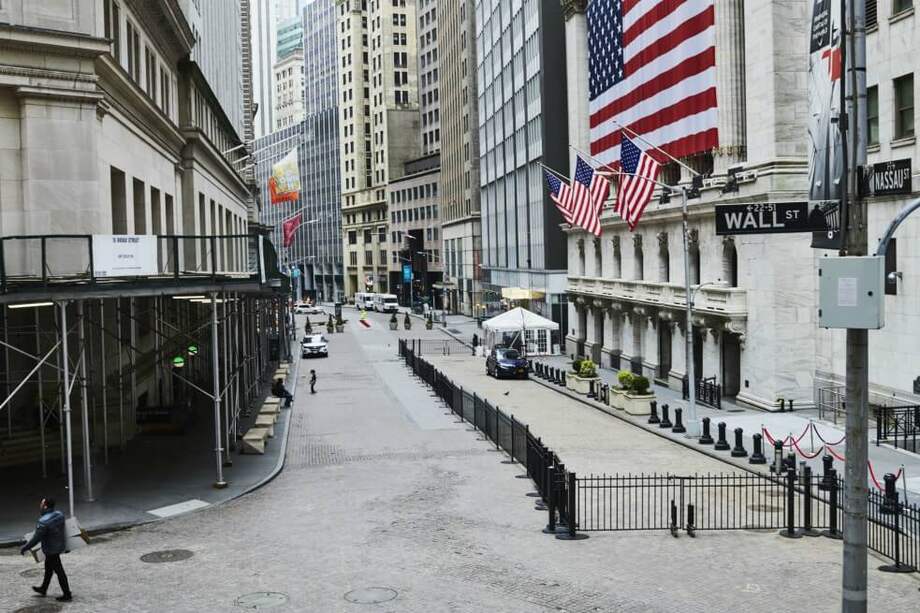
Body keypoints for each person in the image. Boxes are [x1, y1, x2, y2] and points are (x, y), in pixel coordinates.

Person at [21, 497, 72, 602]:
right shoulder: (60, 515)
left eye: (41, 504)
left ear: (45, 506)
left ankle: (67, 594)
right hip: (58, 546)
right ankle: (43, 588)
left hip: (50, 550)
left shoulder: (43, 522)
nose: (40, 505)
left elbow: (35, 539)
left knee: (59, 571)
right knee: (48, 569)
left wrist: (25, 547)